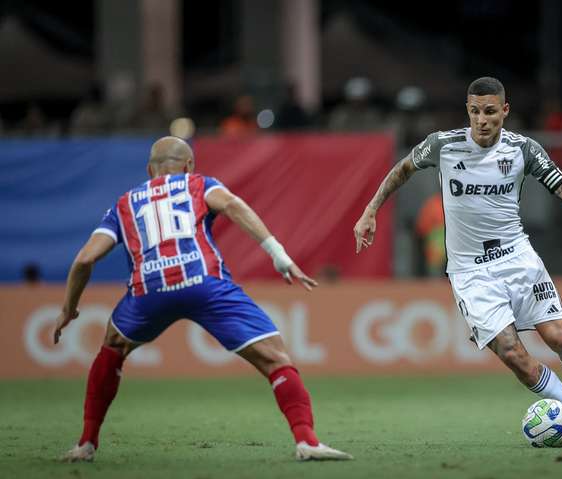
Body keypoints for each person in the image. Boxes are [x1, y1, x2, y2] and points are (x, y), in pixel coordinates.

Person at [354, 77, 562, 447]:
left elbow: (558, 181)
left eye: (490, 111)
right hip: (470, 273)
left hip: (517, 258)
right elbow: (401, 170)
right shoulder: (443, 145)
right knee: (512, 353)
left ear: (504, 112)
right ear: (468, 111)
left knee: (561, 339)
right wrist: (370, 211)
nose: (482, 119)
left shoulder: (523, 148)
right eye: (475, 111)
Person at [55, 136, 351, 462]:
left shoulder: (124, 204)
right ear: (189, 165)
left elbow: (84, 259)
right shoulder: (198, 184)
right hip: (203, 282)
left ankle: (86, 444)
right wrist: (278, 255)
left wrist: (69, 309)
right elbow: (233, 205)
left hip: (148, 290)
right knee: (275, 358)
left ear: (149, 170)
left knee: (112, 349)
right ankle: (306, 441)